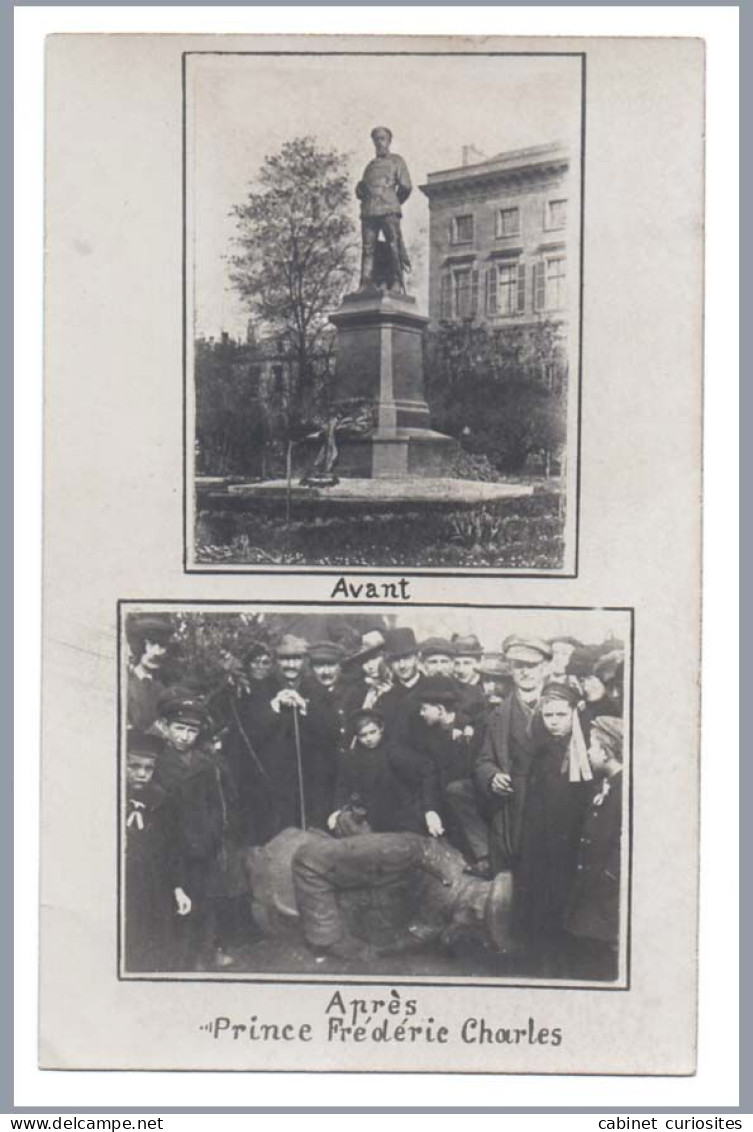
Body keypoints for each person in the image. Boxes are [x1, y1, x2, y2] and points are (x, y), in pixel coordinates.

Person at [152, 689, 241, 972]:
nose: (185, 736)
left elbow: (217, 804)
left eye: (192, 730)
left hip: (204, 843)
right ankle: (180, 957)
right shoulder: (156, 762)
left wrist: (214, 833)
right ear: (165, 727)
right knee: (176, 900)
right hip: (172, 845)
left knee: (207, 898)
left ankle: (207, 950)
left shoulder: (205, 763)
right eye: (179, 728)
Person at [514, 682, 593, 972]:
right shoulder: (541, 751)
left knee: (567, 899)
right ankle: (541, 960)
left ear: (574, 712)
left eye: (561, 714)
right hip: (541, 838)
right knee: (540, 899)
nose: (555, 722)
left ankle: (565, 960)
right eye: (549, 716)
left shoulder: (587, 752)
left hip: (572, 839)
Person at [470, 637, 554, 874]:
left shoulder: (563, 707)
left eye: (532, 666)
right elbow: (483, 761)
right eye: (518, 666)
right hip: (513, 807)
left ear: (545, 668)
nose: (525, 672)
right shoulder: (497, 715)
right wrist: (492, 777)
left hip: (554, 804)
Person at [247, 635, 339, 837]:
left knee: (311, 832)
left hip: (311, 778)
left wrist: (306, 708)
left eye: (296, 659)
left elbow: (332, 731)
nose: (290, 665)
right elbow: (252, 732)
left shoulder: (316, 689)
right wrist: (274, 707)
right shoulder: (262, 688)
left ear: (304, 660)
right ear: (276, 661)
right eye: (284, 659)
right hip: (275, 778)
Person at [123, 731, 190, 972]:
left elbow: (174, 848)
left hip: (154, 886)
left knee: (155, 946)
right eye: (134, 766)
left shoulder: (162, 801)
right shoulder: (109, 796)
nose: (142, 774)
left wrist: (178, 888)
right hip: (122, 886)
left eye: (148, 768)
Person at [564, 716, 624, 981]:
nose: (588, 752)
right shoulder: (606, 786)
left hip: (605, 902)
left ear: (608, 751)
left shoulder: (625, 791)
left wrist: (606, 879)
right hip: (591, 899)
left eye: (592, 746)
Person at [328, 708, 437, 838]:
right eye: (363, 735)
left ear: (381, 729)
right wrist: (337, 810)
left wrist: (429, 809)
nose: (369, 739)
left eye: (372, 732)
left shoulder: (395, 752)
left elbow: (426, 771)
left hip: (399, 814)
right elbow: (343, 786)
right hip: (369, 816)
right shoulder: (352, 758)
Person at [356, 126, 412, 293]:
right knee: (368, 248)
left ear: (389, 141)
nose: (379, 142)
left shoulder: (397, 161)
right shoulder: (370, 166)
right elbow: (363, 189)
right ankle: (365, 282)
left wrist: (394, 202)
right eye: (376, 139)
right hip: (369, 211)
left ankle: (396, 281)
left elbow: (406, 186)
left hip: (389, 209)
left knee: (393, 245)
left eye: (382, 139)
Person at [126, 615, 174, 732]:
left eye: (162, 646)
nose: (157, 653)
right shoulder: (123, 683)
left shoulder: (162, 690)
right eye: (151, 644)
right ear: (138, 646)